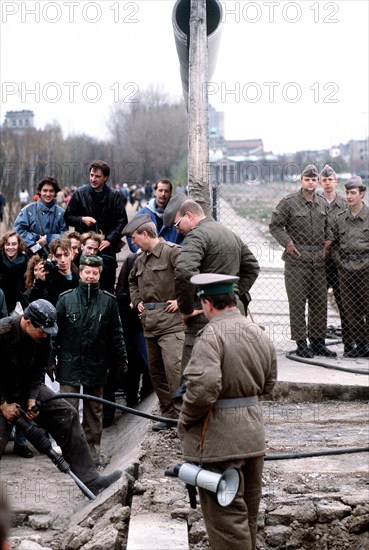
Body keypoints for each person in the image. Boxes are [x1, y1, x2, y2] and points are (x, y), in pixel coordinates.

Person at [178, 273, 277, 550]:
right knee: (248, 515)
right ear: (232, 300)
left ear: (207, 303)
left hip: (220, 441)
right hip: (253, 437)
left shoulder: (211, 336)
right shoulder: (257, 331)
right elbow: (269, 385)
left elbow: (204, 387)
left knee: (226, 523)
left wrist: (186, 419)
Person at [0, 299, 122, 496]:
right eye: (42, 331)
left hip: (23, 388)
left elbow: (38, 370)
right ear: (28, 322)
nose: (45, 335)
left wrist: (32, 398)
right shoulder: (3, 332)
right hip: (2, 392)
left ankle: (91, 480)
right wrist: (3, 404)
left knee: (65, 413)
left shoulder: (43, 335)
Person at [163, 194, 260, 370]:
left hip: (204, 315)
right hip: (233, 313)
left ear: (189, 215)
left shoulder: (196, 235)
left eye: (177, 225)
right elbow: (252, 267)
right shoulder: (229, 233)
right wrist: (232, 293)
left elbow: (185, 272)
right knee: (230, 371)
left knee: (193, 377)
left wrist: (186, 309)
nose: (177, 231)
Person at [49, 255, 127, 465]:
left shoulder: (108, 301)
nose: (91, 276)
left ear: (99, 274)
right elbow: (55, 334)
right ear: (80, 273)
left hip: (97, 364)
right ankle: (69, 454)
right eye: (87, 272)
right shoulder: (66, 299)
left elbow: (116, 334)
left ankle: (92, 454)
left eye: (95, 273)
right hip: (69, 363)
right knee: (67, 410)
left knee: (94, 411)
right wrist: (50, 360)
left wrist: (121, 360)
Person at [269, 164, 336, 358]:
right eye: (307, 179)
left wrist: (328, 241)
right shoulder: (289, 202)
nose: (311, 183)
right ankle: (301, 343)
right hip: (297, 261)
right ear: (301, 181)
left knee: (319, 303)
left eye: (314, 180)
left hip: (318, 261)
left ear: (317, 182)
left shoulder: (322, 202)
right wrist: (287, 243)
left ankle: (317, 342)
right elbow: (275, 226)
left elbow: (329, 225)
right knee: (298, 304)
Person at [125, 214, 185, 430]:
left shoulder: (172, 252)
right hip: (149, 325)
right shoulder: (141, 259)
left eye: (134, 238)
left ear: (144, 234)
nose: (132, 242)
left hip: (172, 325)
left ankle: (182, 418)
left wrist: (181, 301)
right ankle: (168, 414)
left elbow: (191, 277)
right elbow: (132, 281)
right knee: (156, 373)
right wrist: (137, 300)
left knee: (174, 371)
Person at [64, 160, 128, 292]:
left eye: (97, 176)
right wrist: (82, 219)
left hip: (107, 247)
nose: (93, 179)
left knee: (106, 285)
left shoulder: (115, 196)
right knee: (82, 282)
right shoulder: (80, 193)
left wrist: (110, 239)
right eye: (91, 175)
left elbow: (122, 222)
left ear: (105, 177)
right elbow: (68, 216)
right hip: (84, 246)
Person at [330, 176, 369, 358]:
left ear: (362, 194)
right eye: (347, 193)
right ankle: (360, 346)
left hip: (366, 270)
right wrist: (340, 263)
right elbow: (334, 245)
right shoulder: (340, 219)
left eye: (353, 193)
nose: (349, 196)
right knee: (350, 309)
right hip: (345, 270)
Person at [318, 164, 351, 353]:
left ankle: (349, 344)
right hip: (321, 261)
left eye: (331, 180)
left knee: (344, 303)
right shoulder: (315, 201)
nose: (328, 183)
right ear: (321, 183)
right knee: (318, 304)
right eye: (325, 180)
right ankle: (318, 344)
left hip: (339, 262)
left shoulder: (345, 204)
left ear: (336, 182)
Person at [116, 252, 153, 407]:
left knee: (147, 365)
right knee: (133, 369)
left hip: (144, 330)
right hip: (131, 333)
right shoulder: (123, 294)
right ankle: (131, 400)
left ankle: (146, 394)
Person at [127, 179, 184, 252]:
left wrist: (177, 251)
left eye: (166, 191)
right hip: (148, 258)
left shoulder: (178, 214)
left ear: (170, 193)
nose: (163, 194)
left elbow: (187, 236)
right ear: (155, 192)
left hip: (172, 258)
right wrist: (139, 251)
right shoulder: (142, 213)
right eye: (160, 190)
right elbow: (130, 234)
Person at [14, 177, 68, 252]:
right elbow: (18, 230)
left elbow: (65, 234)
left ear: (55, 193)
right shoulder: (28, 210)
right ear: (39, 191)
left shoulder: (61, 213)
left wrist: (48, 239)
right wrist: (36, 238)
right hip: (32, 251)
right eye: (45, 191)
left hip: (55, 253)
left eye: (51, 191)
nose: (48, 194)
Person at [28, 238, 79, 306]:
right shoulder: (48, 279)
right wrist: (40, 283)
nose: (63, 260)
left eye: (66, 255)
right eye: (58, 256)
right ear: (52, 256)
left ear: (71, 254)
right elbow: (34, 304)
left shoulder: (79, 276)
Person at [0, 230, 28, 315]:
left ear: (18, 245)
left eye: (14, 244)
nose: (10, 247)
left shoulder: (26, 260)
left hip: (19, 304)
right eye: (7, 244)